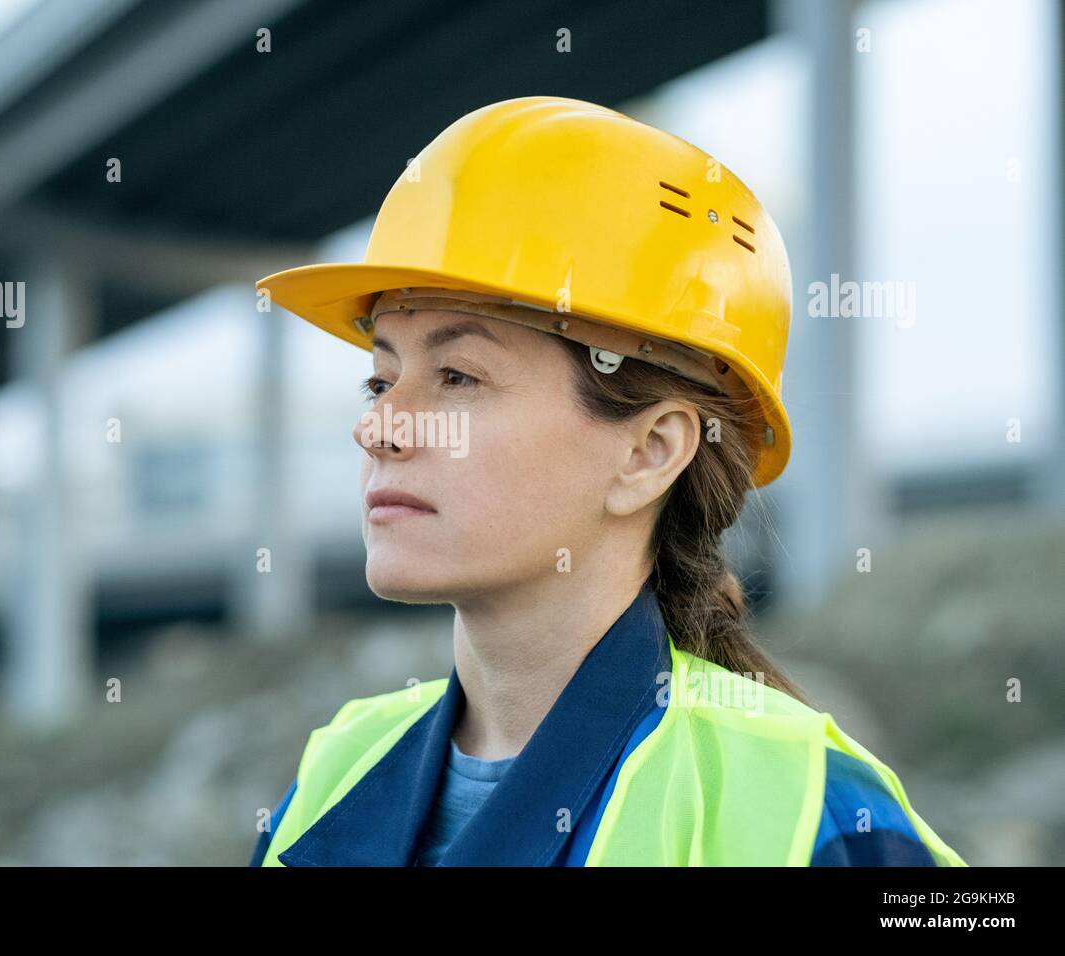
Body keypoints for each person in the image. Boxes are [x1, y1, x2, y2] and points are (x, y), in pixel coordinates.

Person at [248, 95, 967, 867]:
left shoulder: (811, 815)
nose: (381, 427)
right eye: (380, 380)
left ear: (649, 453)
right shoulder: (335, 773)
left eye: (457, 375)